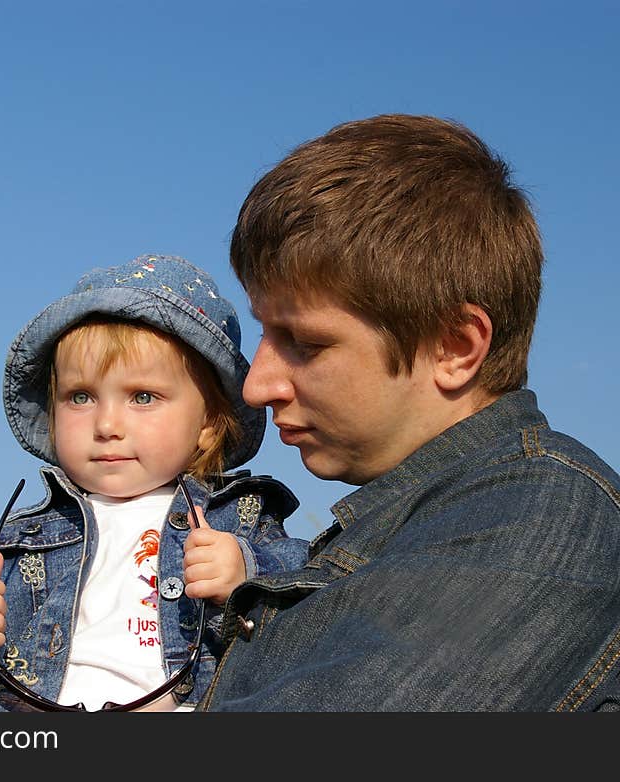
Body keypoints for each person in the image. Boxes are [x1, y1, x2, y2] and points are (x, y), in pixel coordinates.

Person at [197, 114, 620, 712]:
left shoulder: (547, 511)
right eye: (265, 332)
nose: (258, 385)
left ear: (454, 347)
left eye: (305, 342)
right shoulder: (407, 526)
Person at [0, 253, 308, 712]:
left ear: (208, 422)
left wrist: (248, 575)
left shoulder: (236, 520)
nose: (107, 424)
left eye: (143, 397)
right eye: (81, 397)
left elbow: (315, 601)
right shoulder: (15, 541)